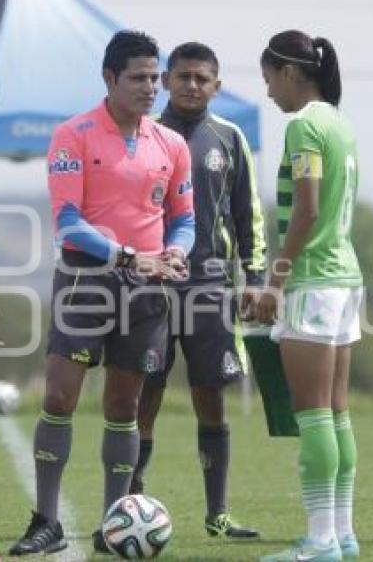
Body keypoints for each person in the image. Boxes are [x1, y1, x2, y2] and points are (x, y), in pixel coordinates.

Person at [9, 30, 194, 556]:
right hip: (86, 280)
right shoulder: (74, 134)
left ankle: (113, 522)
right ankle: (45, 521)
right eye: (139, 78)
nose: (150, 88)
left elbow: (184, 219)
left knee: (123, 406)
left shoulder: (171, 144)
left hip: (148, 289)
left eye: (155, 78)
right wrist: (129, 256)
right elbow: (68, 222)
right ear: (110, 78)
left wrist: (177, 251)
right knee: (58, 396)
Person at [129, 41, 264, 540]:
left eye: (201, 78)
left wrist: (255, 275)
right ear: (165, 80)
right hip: (151, 283)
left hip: (210, 284)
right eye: (182, 76)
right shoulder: (145, 136)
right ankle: (127, 506)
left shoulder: (229, 138)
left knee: (212, 397)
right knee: (146, 394)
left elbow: (248, 213)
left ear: (216, 85)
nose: (191, 85)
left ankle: (218, 514)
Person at [254, 30, 363, 562]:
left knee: (313, 413)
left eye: (270, 78)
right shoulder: (340, 122)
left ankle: (320, 542)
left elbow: (306, 209)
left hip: (313, 280)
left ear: (290, 72)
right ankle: (342, 535)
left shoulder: (305, 126)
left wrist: (275, 282)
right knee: (337, 412)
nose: (270, 92)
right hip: (345, 278)